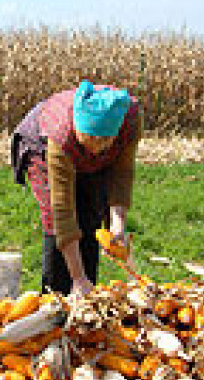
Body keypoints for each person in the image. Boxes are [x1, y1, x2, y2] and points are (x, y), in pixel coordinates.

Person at [11, 80, 141, 297]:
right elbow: (61, 211)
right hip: (42, 146)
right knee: (57, 225)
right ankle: (57, 294)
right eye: (91, 141)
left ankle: (86, 293)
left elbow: (122, 174)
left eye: (105, 142)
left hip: (80, 143)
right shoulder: (60, 134)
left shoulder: (130, 120)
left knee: (90, 217)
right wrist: (77, 276)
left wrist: (117, 224)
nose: (96, 150)